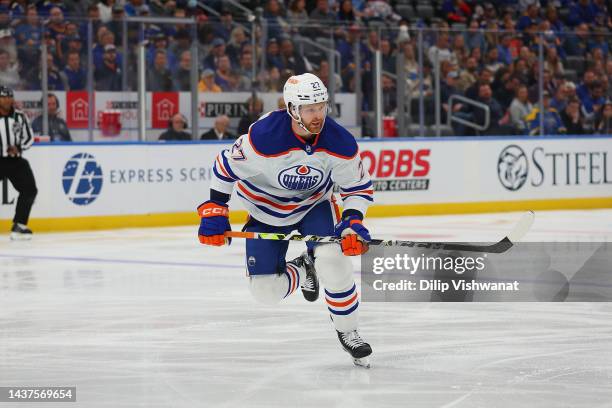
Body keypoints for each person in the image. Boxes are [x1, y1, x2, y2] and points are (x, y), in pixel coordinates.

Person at [197, 73, 374, 367]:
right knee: (265, 292)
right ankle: (304, 270)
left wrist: (353, 219)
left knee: (333, 260)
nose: (318, 115)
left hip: (314, 205)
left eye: (321, 107)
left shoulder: (339, 141)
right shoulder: (264, 137)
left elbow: (357, 187)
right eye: (310, 109)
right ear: (293, 109)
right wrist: (216, 207)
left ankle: (349, 330)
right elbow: (224, 166)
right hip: (265, 211)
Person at [0, 86, 37, 240]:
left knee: (30, 190)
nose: (7, 99)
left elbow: (29, 137)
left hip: (16, 161)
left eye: (10, 96)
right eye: (3, 97)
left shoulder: (20, 117)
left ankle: (19, 225)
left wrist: (19, 148)